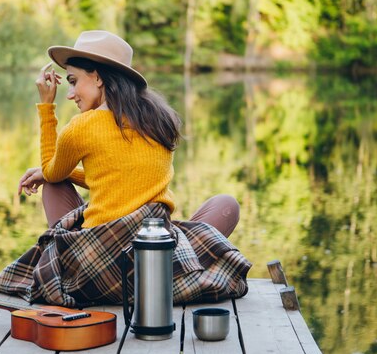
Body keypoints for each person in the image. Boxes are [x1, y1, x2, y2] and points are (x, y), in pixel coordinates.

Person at [16, 30, 240, 237]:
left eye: (73, 82)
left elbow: (51, 172)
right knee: (226, 204)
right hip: (153, 242)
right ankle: (178, 267)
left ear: (98, 78)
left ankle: (71, 263)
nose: (70, 94)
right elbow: (118, 178)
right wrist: (67, 173)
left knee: (53, 184)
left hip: (102, 252)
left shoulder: (81, 127)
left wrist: (46, 106)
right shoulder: (159, 119)